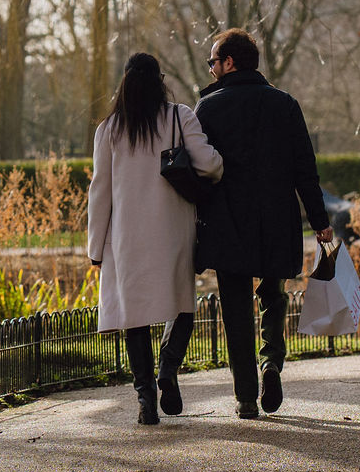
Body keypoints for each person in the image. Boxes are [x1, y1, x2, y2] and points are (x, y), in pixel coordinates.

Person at [193, 29, 334, 420]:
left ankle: (244, 398)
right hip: (276, 219)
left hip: (228, 223)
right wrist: (320, 221)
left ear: (229, 63)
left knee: (236, 309)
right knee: (273, 295)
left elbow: (199, 173)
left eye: (213, 62)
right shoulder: (285, 105)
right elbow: (306, 170)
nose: (211, 69)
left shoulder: (208, 109)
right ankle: (271, 362)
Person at [87, 51, 223, 425]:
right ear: (160, 81)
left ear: (125, 84)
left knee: (137, 319)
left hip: (126, 238)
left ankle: (146, 397)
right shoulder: (180, 117)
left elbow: (100, 192)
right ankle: (168, 368)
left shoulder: (110, 129)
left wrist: (95, 247)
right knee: (181, 304)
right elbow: (210, 164)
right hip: (173, 230)